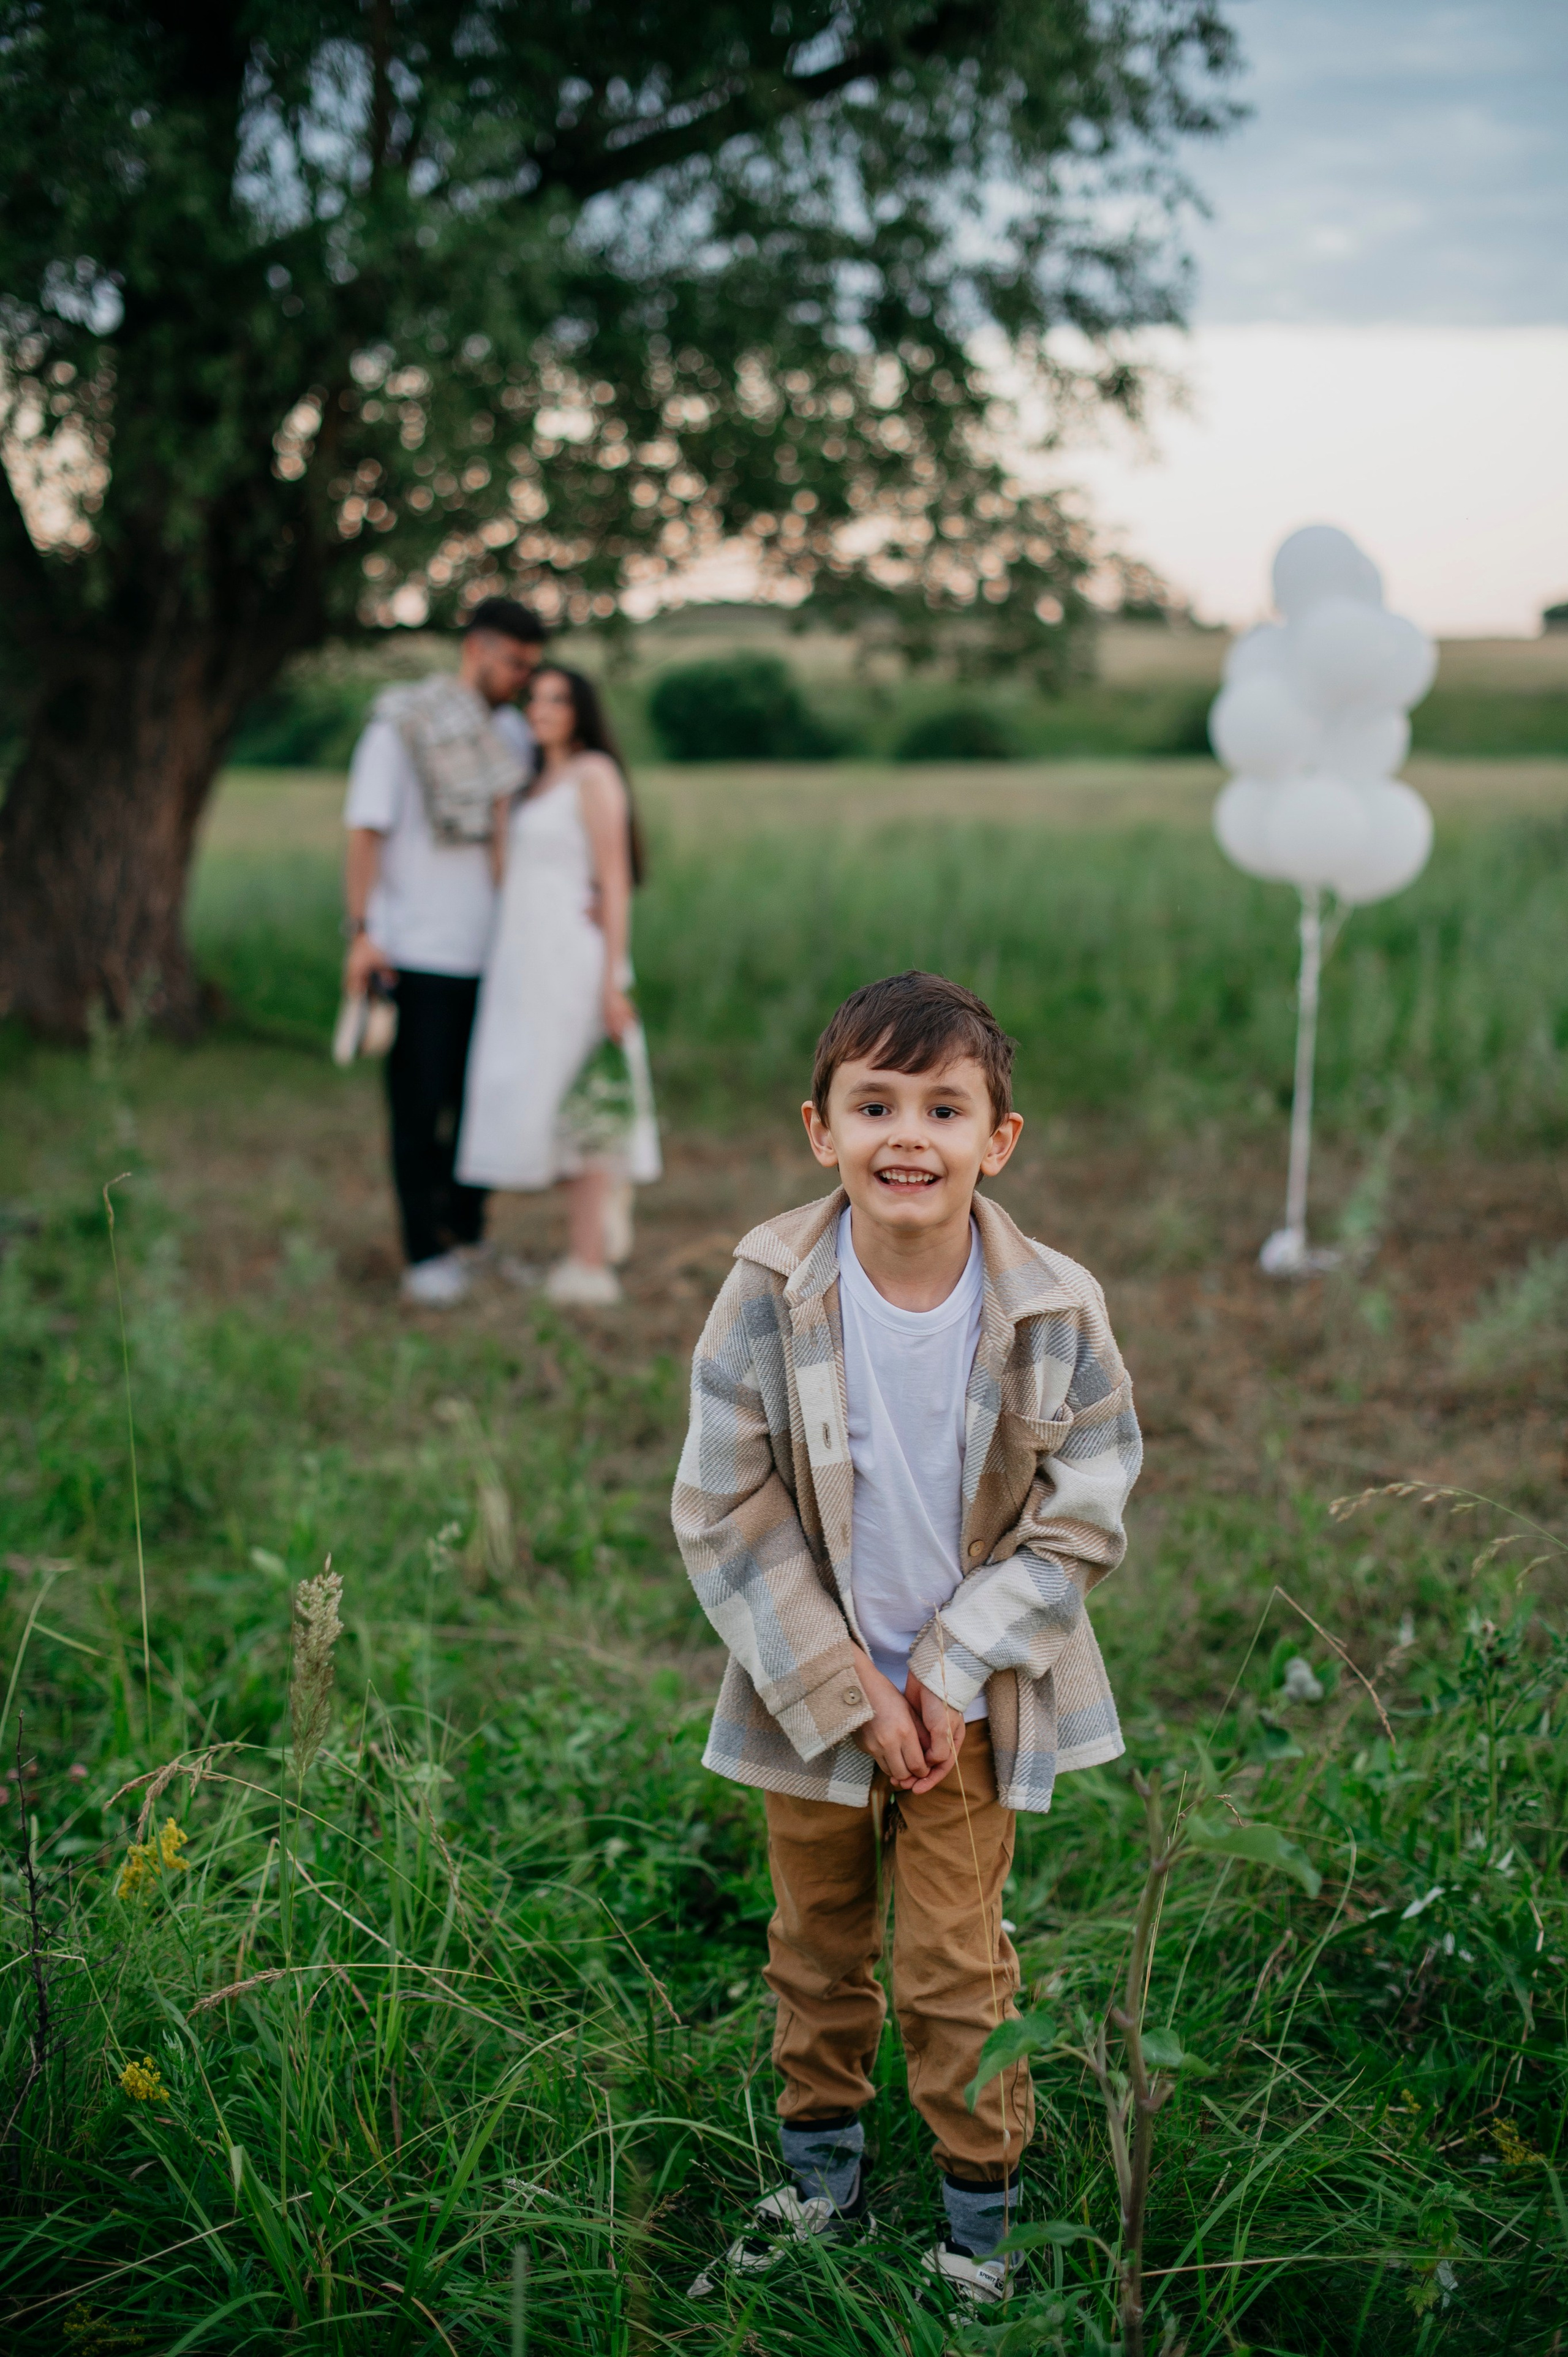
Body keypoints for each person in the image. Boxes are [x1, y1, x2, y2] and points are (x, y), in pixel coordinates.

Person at [671, 970, 1142, 2306]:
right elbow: (723, 1501)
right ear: (817, 1128)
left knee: (950, 1959)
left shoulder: (1052, 1310)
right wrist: (848, 1685)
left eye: (943, 1107)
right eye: (872, 1102)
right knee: (814, 1941)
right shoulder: (769, 1293)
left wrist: (941, 1670)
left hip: (971, 1704)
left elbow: (1081, 1514)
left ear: (998, 1139)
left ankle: (974, 2224)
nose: (906, 1135)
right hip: (806, 1688)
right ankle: (817, 2179)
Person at [342, 597, 547, 1306]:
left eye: (531, 665)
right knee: (418, 1108)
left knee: (480, 1106)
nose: (521, 677)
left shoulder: (515, 737)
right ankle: (423, 1252)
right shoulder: (403, 727)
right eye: (514, 661)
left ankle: (468, 1234)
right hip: (418, 951)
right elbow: (366, 831)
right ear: (478, 648)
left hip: (497, 953)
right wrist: (362, 931)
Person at [456, 664, 660, 1307]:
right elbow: (502, 877)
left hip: (576, 961)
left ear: (579, 710)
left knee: (586, 1105)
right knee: (543, 1098)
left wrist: (612, 980)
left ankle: (588, 1261)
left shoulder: (593, 773)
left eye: (556, 699)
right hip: (525, 963)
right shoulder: (530, 783)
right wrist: (497, 806)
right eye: (534, 698)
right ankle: (593, 1223)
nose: (541, 709)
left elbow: (615, 877)